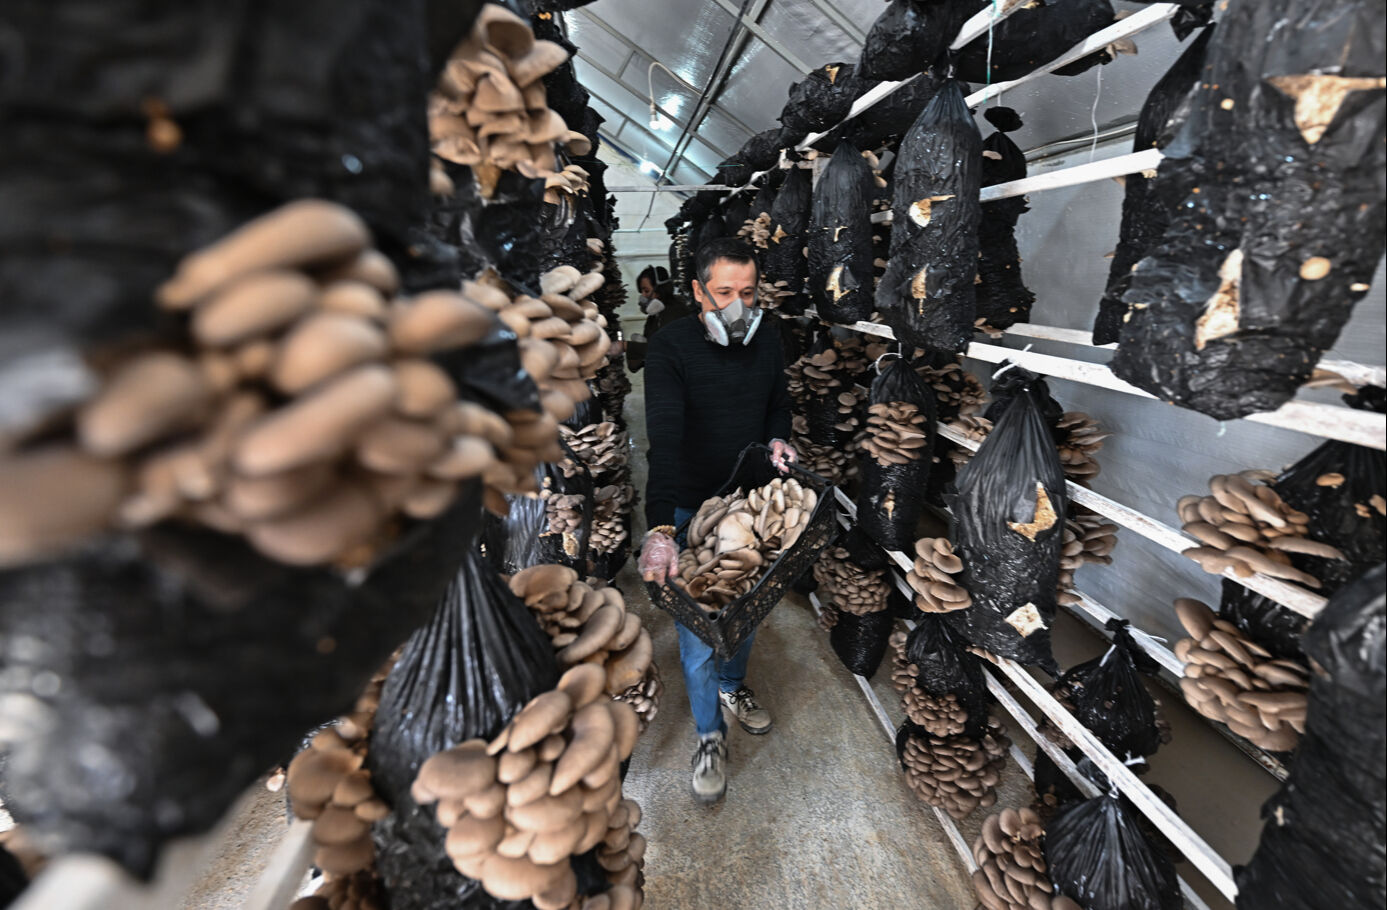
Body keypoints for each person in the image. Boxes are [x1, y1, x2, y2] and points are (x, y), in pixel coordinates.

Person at [637, 237, 797, 805]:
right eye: (724, 292)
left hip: (752, 505)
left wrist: (779, 436)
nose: (738, 304)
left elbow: (778, 402)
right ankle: (709, 734)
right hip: (689, 504)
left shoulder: (768, 337)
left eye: (748, 293)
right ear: (698, 290)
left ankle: (733, 686)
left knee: (746, 609)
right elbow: (666, 438)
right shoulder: (670, 347)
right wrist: (661, 529)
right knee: (701, 627)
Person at [625, 265, 693, 372]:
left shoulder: (676, 312)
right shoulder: (655, 315)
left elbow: (665, 350)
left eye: (646, 291)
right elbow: (637, 364)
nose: (643, 296)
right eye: (641, 291)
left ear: (659, 290)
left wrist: (628, 347)